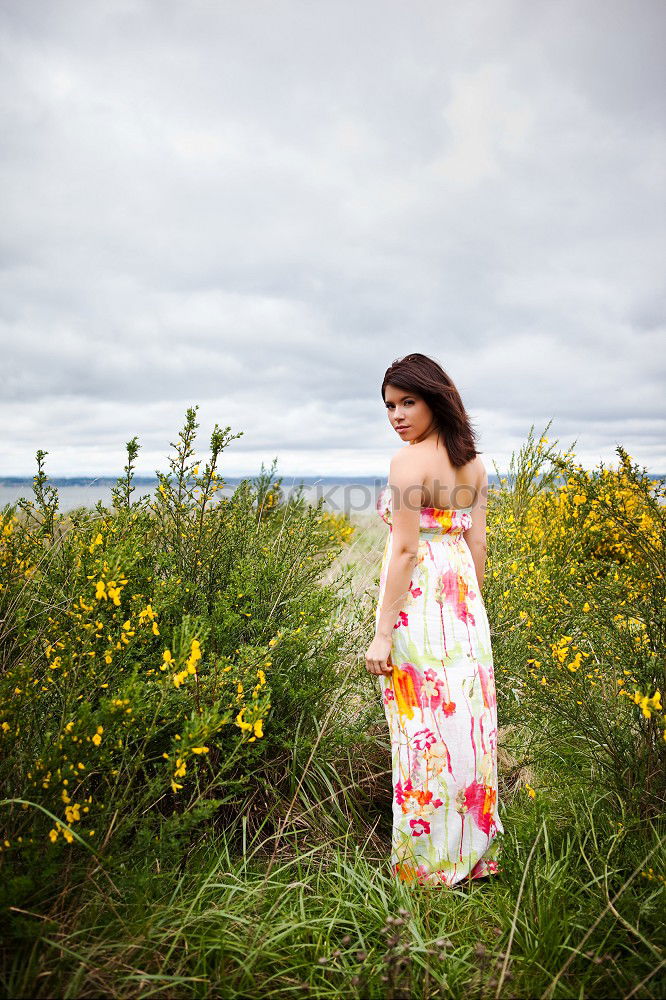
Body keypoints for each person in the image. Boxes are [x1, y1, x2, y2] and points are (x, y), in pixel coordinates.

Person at [366, 352, 503, 887]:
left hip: (418, 606)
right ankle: (472, 857)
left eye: (407, 401)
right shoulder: (474, 464)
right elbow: (477, 542)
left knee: (419, 730)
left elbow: (403, 553)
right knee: (466, 730)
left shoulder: (408, 464)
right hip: (464, 607)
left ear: (435, 397)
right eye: (389, 406)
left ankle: (426, 867)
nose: (396, 415)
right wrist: (469, 613)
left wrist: (381, 634)